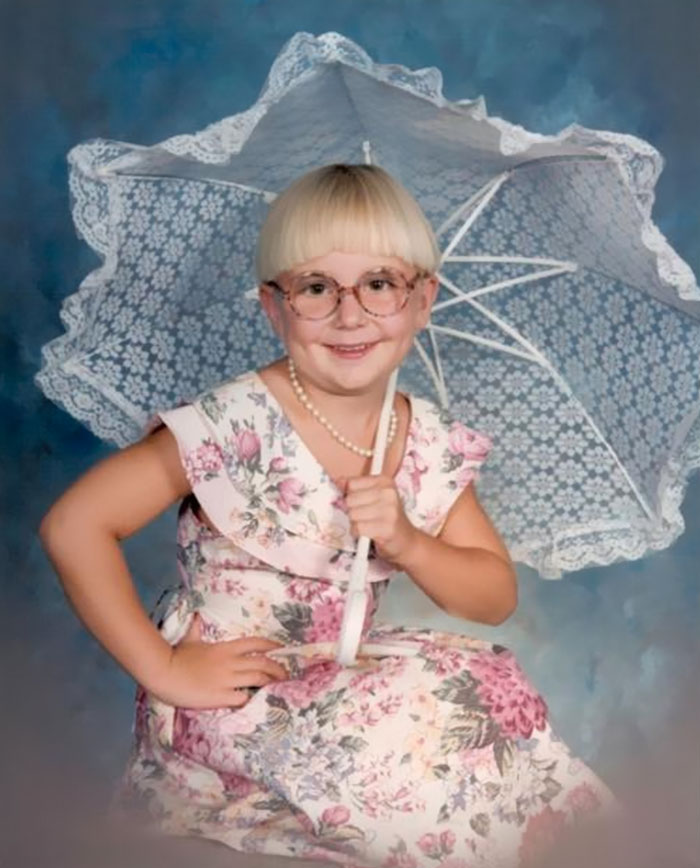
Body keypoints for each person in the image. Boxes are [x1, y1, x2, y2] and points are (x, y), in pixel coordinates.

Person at [39, 164, 620, 868]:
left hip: (335, 673)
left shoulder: (422, 440)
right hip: (236, 691)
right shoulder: (234, 423)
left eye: (379, 285)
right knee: (411, 737)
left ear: (422, 301)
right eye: (316, 288)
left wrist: (408, 540)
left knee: (482, 689)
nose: (351, 316)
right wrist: (163, 667)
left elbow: (493, 596)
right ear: (273, 306)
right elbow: (75, 526)